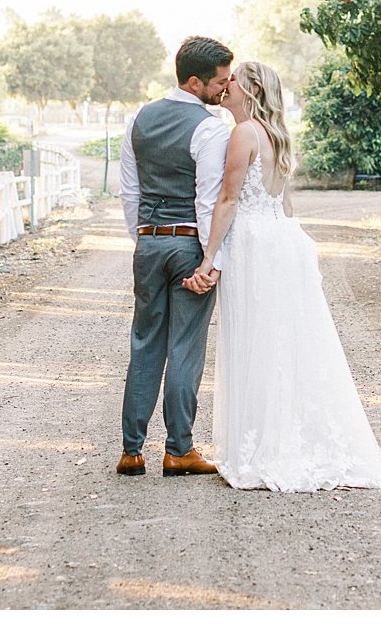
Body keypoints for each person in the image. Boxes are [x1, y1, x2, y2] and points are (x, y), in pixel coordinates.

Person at [187, 59, 381, 491]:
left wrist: (208, 258)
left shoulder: (243, 133)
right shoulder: (277, 136)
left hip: (251, 244)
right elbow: (283, 204)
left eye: (235, 83)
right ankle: (282, 439)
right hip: (278, 242)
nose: (226, 87)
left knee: (256, 339)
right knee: (280, 340)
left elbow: (227, 200)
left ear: (253, 90)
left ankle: (262, 446)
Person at [114, 35, 233, 477]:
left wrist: (144, 238)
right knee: (185, 347)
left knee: (144, 343)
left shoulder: (138, 119)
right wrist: (211, 259)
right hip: (189, 245)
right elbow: (207, 200)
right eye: (220, 82)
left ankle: (131, 450)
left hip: (148, 242)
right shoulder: (210, 128)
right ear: (196, 81)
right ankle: (179, 449)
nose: (224, 89)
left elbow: (130, 191)